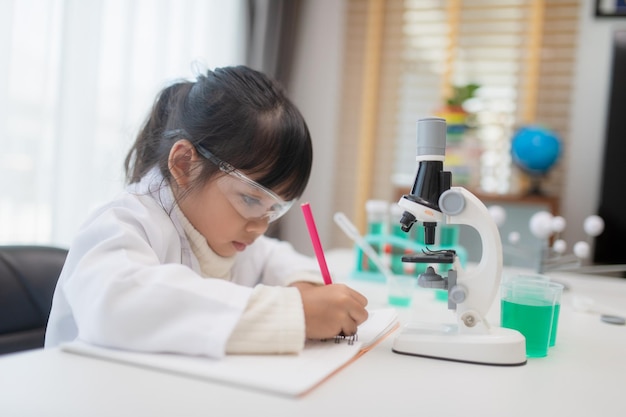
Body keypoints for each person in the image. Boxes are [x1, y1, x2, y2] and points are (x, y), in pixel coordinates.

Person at [45, 65, 368, 358]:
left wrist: (304, 287)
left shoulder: (224, 236)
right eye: (252, 200)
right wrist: (294, 314)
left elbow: (273, 257)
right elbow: (118, 304)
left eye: (275, 209)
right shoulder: (122, 224)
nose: (260, 227)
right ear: (184, 164)